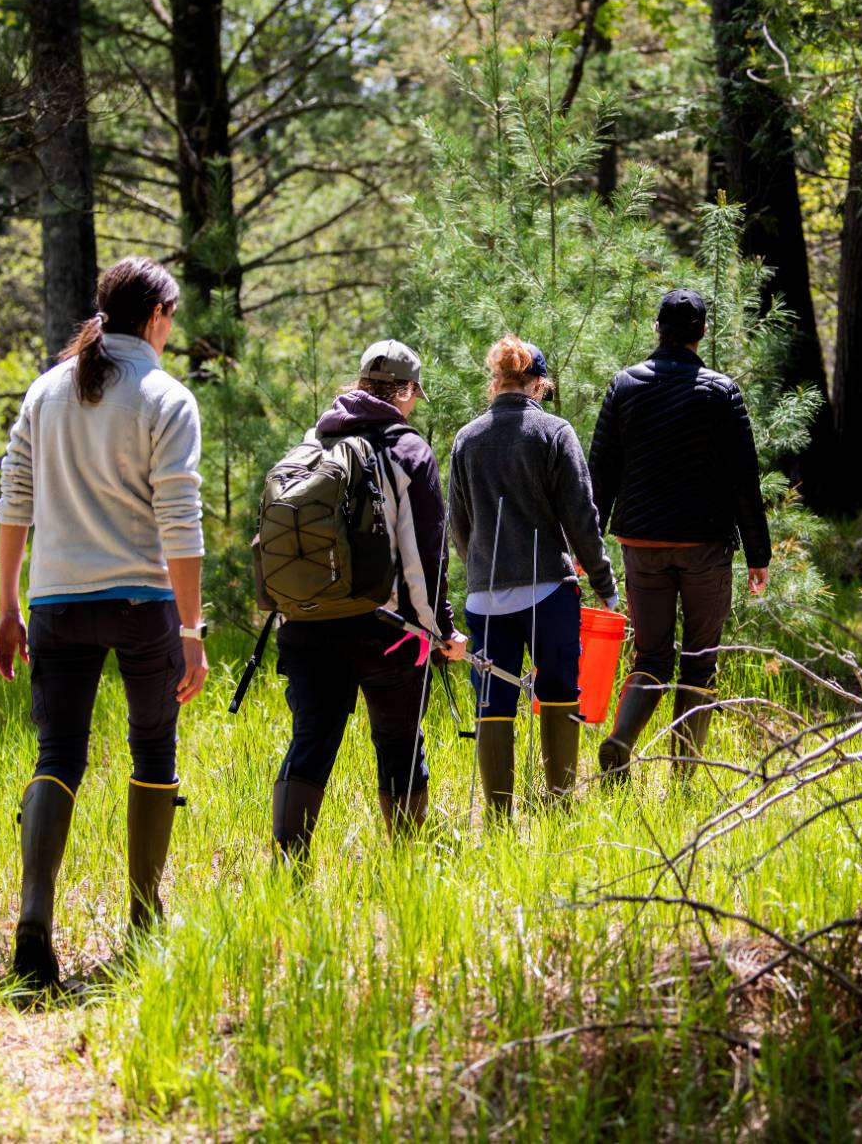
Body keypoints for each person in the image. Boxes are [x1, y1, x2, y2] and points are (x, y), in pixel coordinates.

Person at [0, 256, 209, 996]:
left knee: (58, 753)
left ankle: (33, 922)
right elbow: (181, 520)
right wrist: (192, 627)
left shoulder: (46, 390)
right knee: (152, 747)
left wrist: (7, 605)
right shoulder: (165, 395)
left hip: (54, 600)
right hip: (141, 601)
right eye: (171, 319)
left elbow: (14, 500)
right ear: (154, 317)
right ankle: (146, 925)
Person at [262, 339, 464, 861]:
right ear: (405, 392)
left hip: (305, 624)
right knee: (398, 741)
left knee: (311, 739)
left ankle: (289, 866)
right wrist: (439, 631)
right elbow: (425, 555)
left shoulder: (315, 442)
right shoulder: (407, 449)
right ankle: (405, 860)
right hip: (386, 629)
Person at [587, 289, 770, 780]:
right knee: (700, 656)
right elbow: (743, 480)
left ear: (657, 329)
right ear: (702, 333)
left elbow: (599, 473)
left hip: (641, 546)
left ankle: (621, 740)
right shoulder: (720, 392)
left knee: (651, 654)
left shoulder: (623, 387)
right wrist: (759, 553)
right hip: (704, 546)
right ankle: (685, 776)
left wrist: (588, 544)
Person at [447, 335, 618, 818]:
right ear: (539, 385)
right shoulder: (553, 432)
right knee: (559, 691)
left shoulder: (466, 439)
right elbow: (581, 519)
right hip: (549, 592)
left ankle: (500, 818)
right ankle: (558, 806)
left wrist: (480, 565)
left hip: (485, 599)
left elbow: (457, 523)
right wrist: (606, 587)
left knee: (493, 702)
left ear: (495, 383)